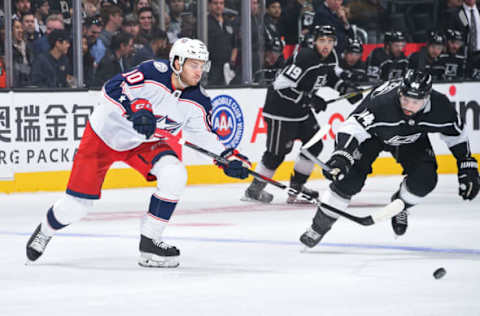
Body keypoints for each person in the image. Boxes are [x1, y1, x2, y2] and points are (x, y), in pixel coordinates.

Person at [26, 37, 251, 268]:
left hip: (143, 143)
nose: (199, 71)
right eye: (193, 64)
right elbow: (111, 88)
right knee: (76, 207)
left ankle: (150, 241)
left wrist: (228, 159)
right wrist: (134, 109)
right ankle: (46, 229)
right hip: (103, 135)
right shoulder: (153, 72)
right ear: (176, 63)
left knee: (175, 174)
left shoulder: (198, 101)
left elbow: (204, 137)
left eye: (202, 65)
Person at [300, 70, 480, 248]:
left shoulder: (441, 107)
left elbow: (456, 135)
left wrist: (467, 166)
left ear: (427, 98)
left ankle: (400, 205)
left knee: (425, 180)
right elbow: (352, 127)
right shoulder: (382, 103)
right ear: (400, 92)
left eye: (415, 102)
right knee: (349, 180)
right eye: (405, 99)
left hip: (412, 138)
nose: (409, 106)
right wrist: (341, 156)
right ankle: (318, 227)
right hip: (372, 137)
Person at [243, 25, 362, 204]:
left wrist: (345, 89)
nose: (326, 45)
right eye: (322, 41)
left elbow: (329, 76)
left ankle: (296, 187)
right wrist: (309, 100)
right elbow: (280, 86)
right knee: (276, 154)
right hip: (280, 112)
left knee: (314, 147)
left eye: (330, 41)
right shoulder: (305, 57)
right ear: (314, 41)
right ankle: (254, 190)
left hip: (301, 111)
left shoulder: (331, 57)